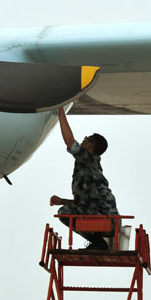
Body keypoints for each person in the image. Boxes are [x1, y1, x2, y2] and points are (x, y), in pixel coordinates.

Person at [49, 107, 119, 250]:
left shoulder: (87, 159)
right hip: (109, 221)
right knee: (65, 209)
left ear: (90, 146)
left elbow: (70, 142)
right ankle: (98, 242)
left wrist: (60, 112)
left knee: (64, 213)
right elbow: (87, 203)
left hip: (105, 220)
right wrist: (62, 200)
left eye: (86, 139)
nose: (83, 139)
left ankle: (98, 243)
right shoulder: (91, 167)